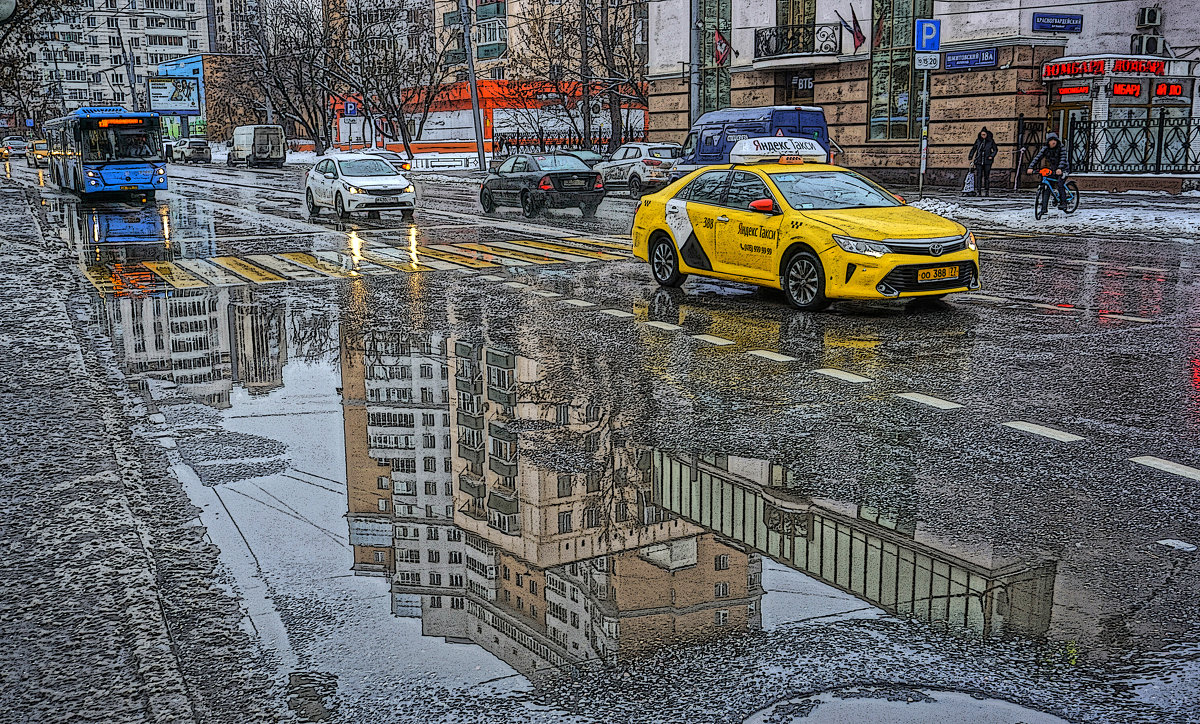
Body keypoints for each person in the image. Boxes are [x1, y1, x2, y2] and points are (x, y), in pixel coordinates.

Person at [1028, 132, 1070, 209]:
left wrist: (1060, 168)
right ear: (1048, 142)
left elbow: (1063, 159)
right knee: (1047, 185)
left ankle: (1064, 203)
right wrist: (1031, 167)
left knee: (1060, 184)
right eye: (1051, 140)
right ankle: (1044, 208)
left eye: (1055, 140)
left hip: (1063, 169)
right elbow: (1038, 158)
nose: (1053, 142)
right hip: (1053, 169)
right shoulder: (1045, 149)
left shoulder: (1061, 148)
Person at [967, 127, 997, 197]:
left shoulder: (991, 141)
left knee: (986, 176)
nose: (983, 136)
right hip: (979, 160)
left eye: (984, 135)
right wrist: (971, 156)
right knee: (979, 175)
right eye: (982, 134)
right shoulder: (978, 141)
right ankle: (978, 190)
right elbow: (974, 148)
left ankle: (986, 189)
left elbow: (995, 149)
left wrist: (991, 155)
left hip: (987, 161)